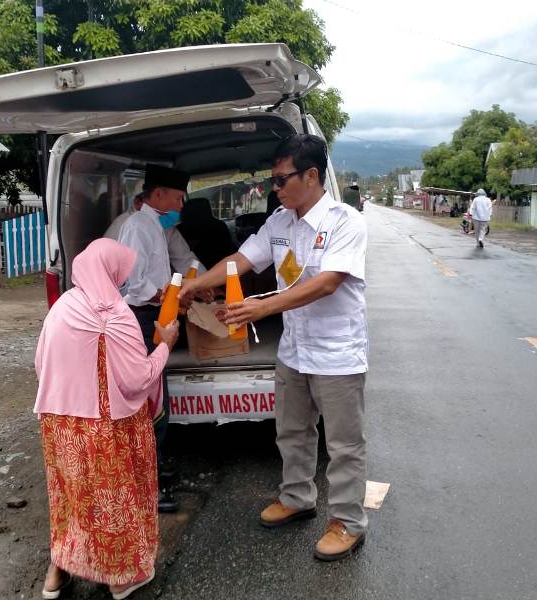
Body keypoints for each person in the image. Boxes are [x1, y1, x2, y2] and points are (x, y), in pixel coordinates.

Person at [181, 134, 369, 562]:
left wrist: (259, 309)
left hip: (337, 352)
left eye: (282, 180)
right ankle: (298, 497)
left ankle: (347, 522)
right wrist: (196, 283)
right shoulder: (279, 222)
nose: (275, 190)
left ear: (311, 175)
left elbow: (326, 283)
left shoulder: (345, 222)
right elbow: (241, 260)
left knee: (343, 444)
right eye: (273, 181)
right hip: (295, 351)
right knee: (292, 432)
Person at [34, 238, 179, 600]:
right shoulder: (116, 316)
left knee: (71, 498)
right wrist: (165, 345)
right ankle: (119, 579)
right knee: (113, 502)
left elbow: (40, 364)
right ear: (110, 271)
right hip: (107, 426)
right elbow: (138, 379)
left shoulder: (63, 306)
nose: (123, 281)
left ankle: (58, 573)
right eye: (121, 273)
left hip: (59, 422)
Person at [117, 164, 207, 513]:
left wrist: (190, 287)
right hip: (140, 319)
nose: (183, 205)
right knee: (147, 402)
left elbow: (184, 261)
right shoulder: (137, 227)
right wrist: (167, 297)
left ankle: (152, 469)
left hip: (155, 316)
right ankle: (146, 489)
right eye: (178, 197)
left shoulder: (158, 226)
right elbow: (131, 283)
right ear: (158, 195)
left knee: (157, 397)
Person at [177, 197, 237, 268]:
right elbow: (229, 250)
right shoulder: (219, 226)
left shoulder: (179, 230)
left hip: (189, 270)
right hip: (221, 268)